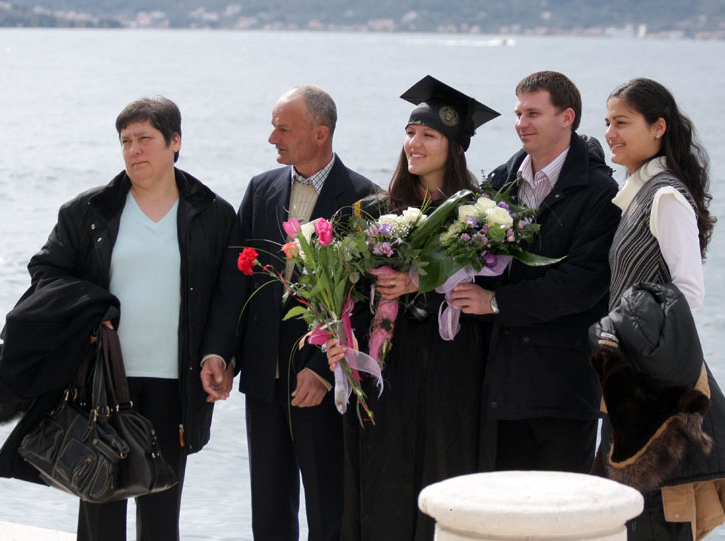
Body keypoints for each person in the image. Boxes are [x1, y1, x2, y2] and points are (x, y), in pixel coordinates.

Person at [0, 97, 236, 540]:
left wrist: (218, 354)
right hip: (101, 383)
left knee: (161, 517)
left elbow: (227, 296)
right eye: (125, 141)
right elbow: (45, 271)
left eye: (145, 139)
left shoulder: (214, 214)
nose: (134, 150)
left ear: (175, 142)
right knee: (99, 512)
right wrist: (92, 308)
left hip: (175, 385)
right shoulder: (89, 212)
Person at [326, 75, 500, 540]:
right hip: (389, 367)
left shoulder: (478, 217)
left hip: (452, 368)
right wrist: (343, 341)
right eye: (410, 133)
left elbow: (490, 292)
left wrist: (431, 283)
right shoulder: (375, 210)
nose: (414, 143)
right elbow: (352, 300)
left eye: (428, 135)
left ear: (455, 146)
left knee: (446, 475)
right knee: (385, 478)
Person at [200, 85, 376, 541]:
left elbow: (367, 303)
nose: (272, 137)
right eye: (273, 125)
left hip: (323, 380)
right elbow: (234, 281)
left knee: (329, 510)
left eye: (283, 128)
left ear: (320, 134)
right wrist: (220, 354)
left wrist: (322, 369)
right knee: (270, 512)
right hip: (262, 377)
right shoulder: (260, 189)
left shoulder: (365, 200)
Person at [594, 77, 725, 540]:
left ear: (658, 128)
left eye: (622, 122)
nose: (610, 132)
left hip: (656, 383)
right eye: (608, 122)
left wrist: (627, 328)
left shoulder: (665, 196)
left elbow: (688, 291)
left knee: (655, 515)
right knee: (629, 511)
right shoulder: (636, 194)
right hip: (632, 377)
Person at [449, 71, 621, 473]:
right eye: (518, 113)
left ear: (567, 117)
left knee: (562, 517)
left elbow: (583, 284)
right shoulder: (498, 183)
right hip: (501, 385)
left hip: (563, 386)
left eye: (533, 113)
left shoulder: (600, 192)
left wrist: (495, 302)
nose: (521, 123)